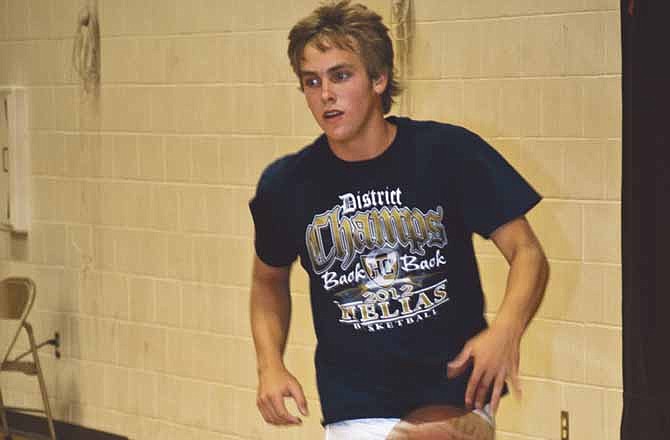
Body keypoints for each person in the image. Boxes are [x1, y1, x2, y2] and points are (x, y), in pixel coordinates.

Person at [248, 1, 549, 438]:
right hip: (354, 402)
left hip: (449, 391)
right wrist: (269, 365)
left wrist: (506, 329)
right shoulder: (287, 184)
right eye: (311, 82)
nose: (325, 94)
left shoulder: (448, 153)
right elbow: (267, 281)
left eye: (340, 75)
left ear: (378, 79)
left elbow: (527, 253)